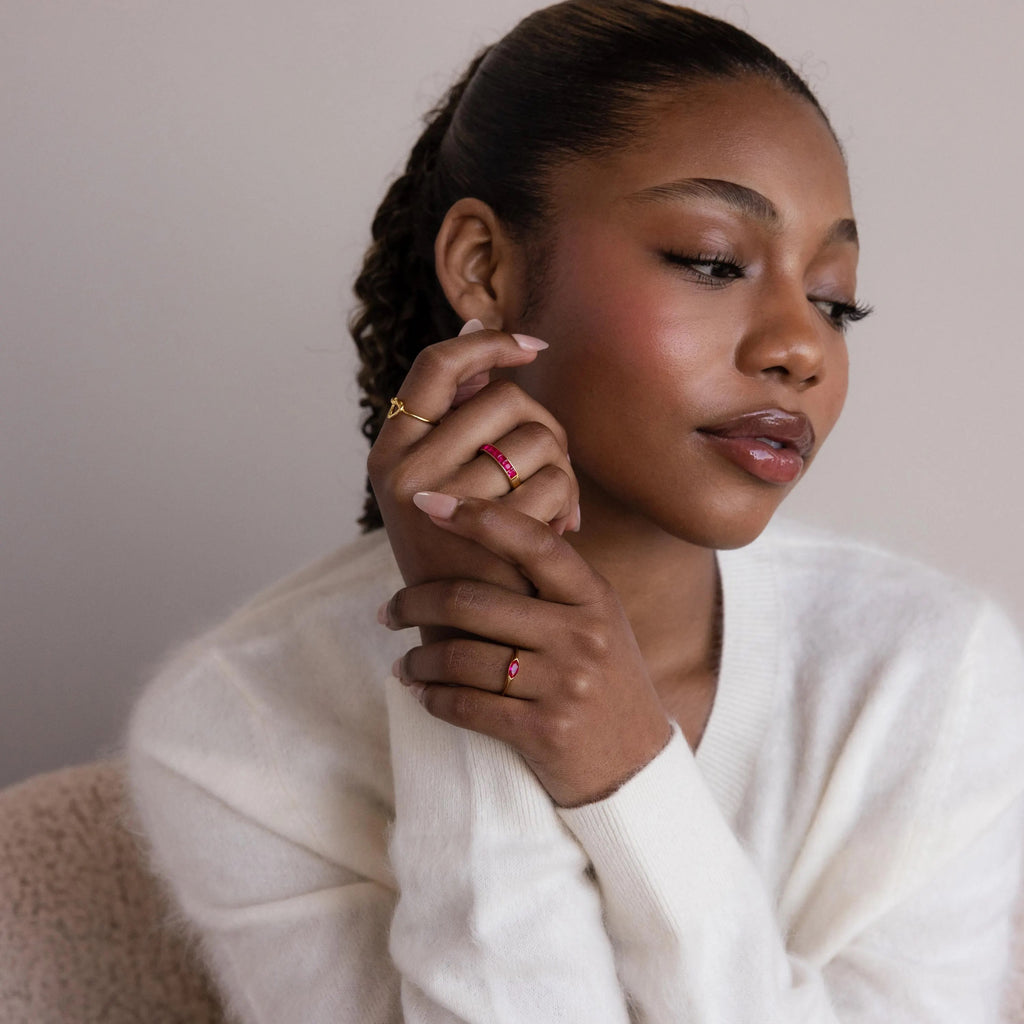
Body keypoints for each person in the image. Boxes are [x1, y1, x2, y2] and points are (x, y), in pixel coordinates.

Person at [126, 1, 1024, 1021]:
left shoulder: (928, 676)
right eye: (712, 260)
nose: (802, 347)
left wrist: (629, 770)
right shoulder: (236, 734)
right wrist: (472, 634)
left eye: (834, 300)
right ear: (484, 268)